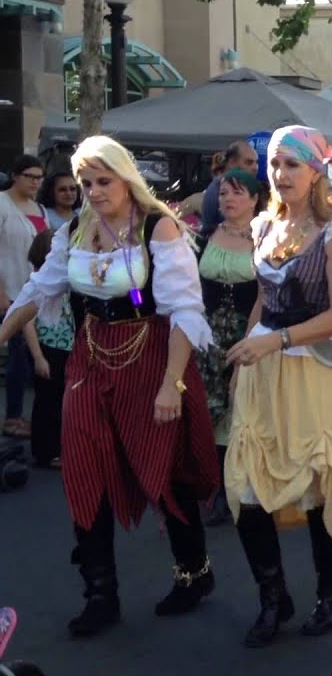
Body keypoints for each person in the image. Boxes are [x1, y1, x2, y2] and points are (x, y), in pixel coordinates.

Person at [0, 136, 220, 637]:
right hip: (91, 354)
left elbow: (184, 310)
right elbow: (40, 289)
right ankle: (100, 592)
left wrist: (171, 386)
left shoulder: (158, 228)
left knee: (161, 467)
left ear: (126, 179)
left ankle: (194, 572)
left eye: (103, 181)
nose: (94, 192)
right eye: (85, 183)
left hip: (152, 354)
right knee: (83, 469)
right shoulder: (76, 228)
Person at [222, 126, 332, 648]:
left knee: (318, 487)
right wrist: (248, 350)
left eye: (293, 165)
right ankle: (274, 599)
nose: (281, 174)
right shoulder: (263, 224)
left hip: (319, 369)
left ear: (316, 171)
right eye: (274, 164)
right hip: (266, 365)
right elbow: (262, 301)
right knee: (248, 489)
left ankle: (331, 594)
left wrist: (276, 341)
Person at [194, 168, 265, 526]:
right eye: (223, 193)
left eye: (237, 193)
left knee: (239, 410)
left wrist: (247, 345)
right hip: (206, 335)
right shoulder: (205, 236)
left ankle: (232, 488)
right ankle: (211, 484)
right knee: (208, 409)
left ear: (254, 199)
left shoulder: (265, 239)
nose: (228, 199)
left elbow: (263, 300)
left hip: (245, 333)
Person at [1, 155, 49, 439]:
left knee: (28, 357)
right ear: (15, 175)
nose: (35, 181)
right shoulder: (2, 203)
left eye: (39, 177)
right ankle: (12, 417)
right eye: (29, 176)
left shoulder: (40, 208)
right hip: (9, 292)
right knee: (19, 355)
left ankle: (20, 416)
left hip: (34, 293)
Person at [25, 230, 72, 469]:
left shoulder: (66, 281)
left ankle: (62, 446)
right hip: (48, 346)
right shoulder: (37, 283)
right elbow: (27, 322)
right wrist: (38, 357)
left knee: (63, 401)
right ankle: (45, 450)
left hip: (69, 346)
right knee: (47, 402)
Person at [200, 141, 259, 237]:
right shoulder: (221, 188)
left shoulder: (224, 185)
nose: (255, 167)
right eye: (249, 162)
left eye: (256, 162)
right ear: (232, 163)